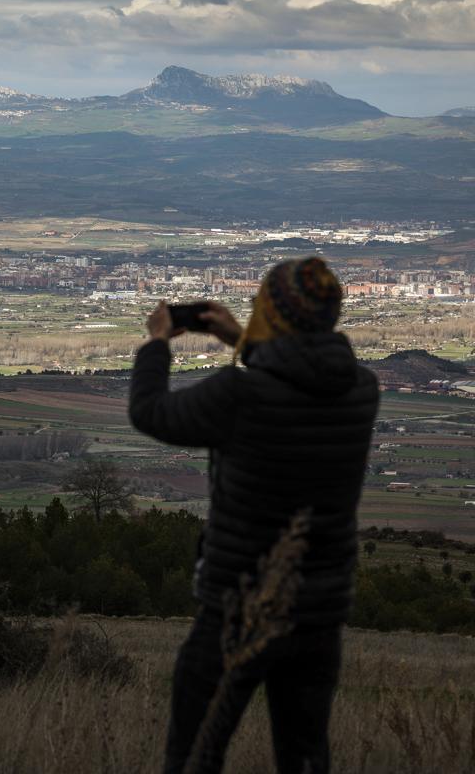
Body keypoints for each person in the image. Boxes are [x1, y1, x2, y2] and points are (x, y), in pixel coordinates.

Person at [128, 257, 379, 774]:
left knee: (196, 755)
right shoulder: (361, 391)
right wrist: (240, 339)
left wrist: (156, 343)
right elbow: (300, 381)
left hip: (236, 606)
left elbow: (150, 413)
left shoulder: (239, 395)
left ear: (273, 314)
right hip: (319, 614)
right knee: (305, 758)